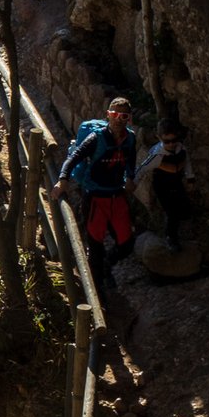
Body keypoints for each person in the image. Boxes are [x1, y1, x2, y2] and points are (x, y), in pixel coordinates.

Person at [57, 94, 139, 286]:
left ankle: (106, 266)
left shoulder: (130, 139)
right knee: (95, 246)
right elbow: (74, 157)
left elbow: (131, 161)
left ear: (129, 118)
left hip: (116, 194)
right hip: (94, 197)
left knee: (127, 243)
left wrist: (130, 178)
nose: (118, 120)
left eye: (124, 116)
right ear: (107, 115)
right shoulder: (96, 138)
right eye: (114, 114)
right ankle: (100, 294)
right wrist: (62, 180)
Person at [141, 118, 192, 249]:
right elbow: (143, 168)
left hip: (176, 181)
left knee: (183, 206)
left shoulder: (181, 149)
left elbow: (187, 164)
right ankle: (171, 238)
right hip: (161, 185)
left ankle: (181, 232)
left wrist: (190, 178)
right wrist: (131, 181)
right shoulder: (157, 153)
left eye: (174, 140)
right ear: (159, 138)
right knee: (171, 211)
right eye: (167, 141)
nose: (171, 144)